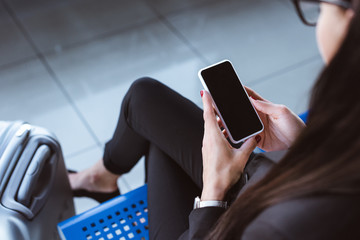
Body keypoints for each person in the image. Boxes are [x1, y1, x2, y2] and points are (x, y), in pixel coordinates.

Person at [68, 0, 360, 239]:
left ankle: (98, 179)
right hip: (272, 185)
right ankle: (101, 177)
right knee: (145, 97)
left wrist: (213, 192)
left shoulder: (282, 228)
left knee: (162, 140)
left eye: (321, 8)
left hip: (232, 221)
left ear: (349, 21)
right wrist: (302, 146)